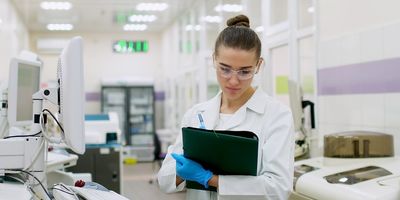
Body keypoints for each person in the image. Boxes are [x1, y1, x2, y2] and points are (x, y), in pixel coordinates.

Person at [158, 14, 294, 200]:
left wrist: (209, 179)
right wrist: (181, 172)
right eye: (225, 68)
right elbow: (164, 181)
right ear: (214, 59)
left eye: (245, 71)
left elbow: (278, 188)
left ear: (258, 65)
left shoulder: (277, 115)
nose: (233, 80)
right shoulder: (197, 114)